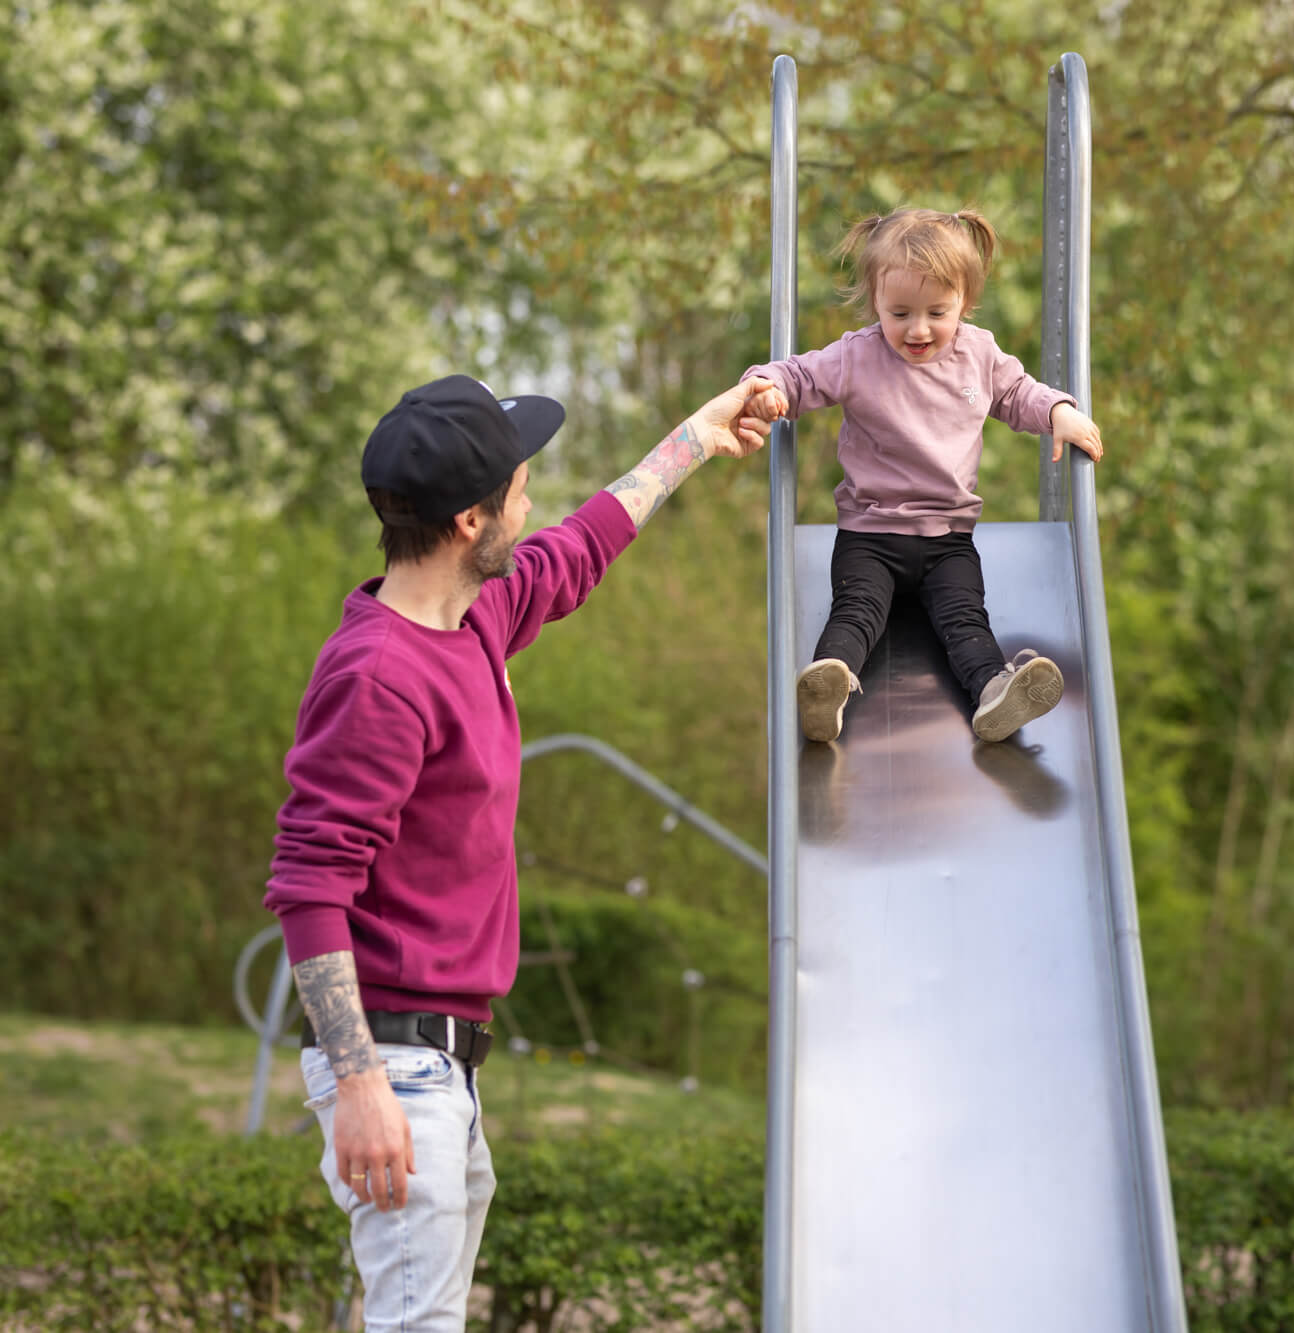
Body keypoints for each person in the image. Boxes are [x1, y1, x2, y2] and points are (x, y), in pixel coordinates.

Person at [262, 371, 772, 1331]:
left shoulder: (473, 620)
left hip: (443, 1063)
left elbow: (580, 546)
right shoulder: (379, 675)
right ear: (468, 520)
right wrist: (363, 1084)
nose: (531, 500)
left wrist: (698, 436)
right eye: (520, 486)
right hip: (395, 1064)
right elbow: (310, 888)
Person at [740, 206, 1106, 744]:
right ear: (876, 305)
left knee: (965, 620)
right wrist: (768, 386)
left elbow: (1015, 393)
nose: (918, 329)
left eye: (937, 312)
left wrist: (1058, 411)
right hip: (869, 534)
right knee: (857, 610)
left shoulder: (978, 353)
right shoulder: (857, 356)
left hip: (948, 539)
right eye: (900, 312)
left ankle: (994, 696)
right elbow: (798, 375)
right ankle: (829, 686)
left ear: (965, 302)